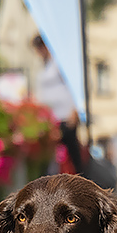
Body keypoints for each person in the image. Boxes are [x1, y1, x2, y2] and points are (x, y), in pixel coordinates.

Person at [32, 35, 87, 176]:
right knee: (52, 158)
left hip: (65, 116)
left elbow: (73, 86)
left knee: (73, 153)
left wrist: (75, 110)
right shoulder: (44, 65)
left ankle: (82, 182)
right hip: (51, 119)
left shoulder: (59, 63)